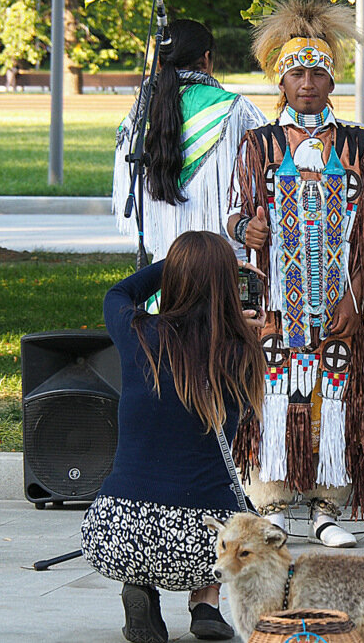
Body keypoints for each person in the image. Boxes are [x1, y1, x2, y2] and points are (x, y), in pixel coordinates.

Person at [225, 0, 364, 549]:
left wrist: (354, 296)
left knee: (335, 394)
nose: (309, 83)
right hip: (277, 303)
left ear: (332, 79)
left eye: (318, 72)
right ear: (281, 80)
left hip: (337, 299)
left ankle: (326, 507)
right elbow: (235, 212)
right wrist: (247, 227)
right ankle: (272, 506)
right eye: (297, 73)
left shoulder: (358, 143)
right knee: (275, 394)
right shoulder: (260, 144)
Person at [80, 231, 266, 643]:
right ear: (225, 287)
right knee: (241, 516)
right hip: (201, 551)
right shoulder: (238, 351)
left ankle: (140, 587)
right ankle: (206, 603)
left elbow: (120, 290)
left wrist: (178, 266)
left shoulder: (136, 335)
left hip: (114, 532)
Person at [112, 19, 266, 261]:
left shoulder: (139, 116)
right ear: (206, 59)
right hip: (219, 265)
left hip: (163, 272)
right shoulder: (235, 109)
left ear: (160, 62)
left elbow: (126, 187)